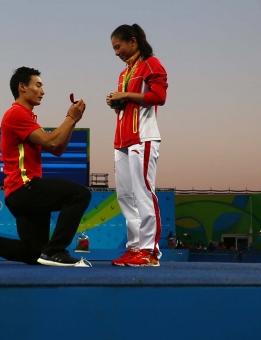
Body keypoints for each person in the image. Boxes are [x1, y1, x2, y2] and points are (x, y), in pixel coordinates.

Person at [0, 66, 92, 266]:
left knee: (35, 253)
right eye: (38, 85)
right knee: (80, 194)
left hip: (19, 193)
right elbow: (52, 142)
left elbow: (57, 149)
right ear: (22, 87)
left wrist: (73, 121)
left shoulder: (27, 117)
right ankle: (56, 250)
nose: (43, 91)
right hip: (24, 187)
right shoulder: (17, 114)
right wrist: (71, 118)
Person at [105, 24, 168, 267]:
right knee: (125, 195)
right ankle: (134, 247)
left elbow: (159, 97)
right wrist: (116, 102)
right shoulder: (124, 74)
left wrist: (126, 96)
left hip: (143, 137)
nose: (116, 52)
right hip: (121, 139)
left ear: (133, 41)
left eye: (118, 46)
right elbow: (128, 104)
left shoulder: (152, 63)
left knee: (143, 192)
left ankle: (149, 251)